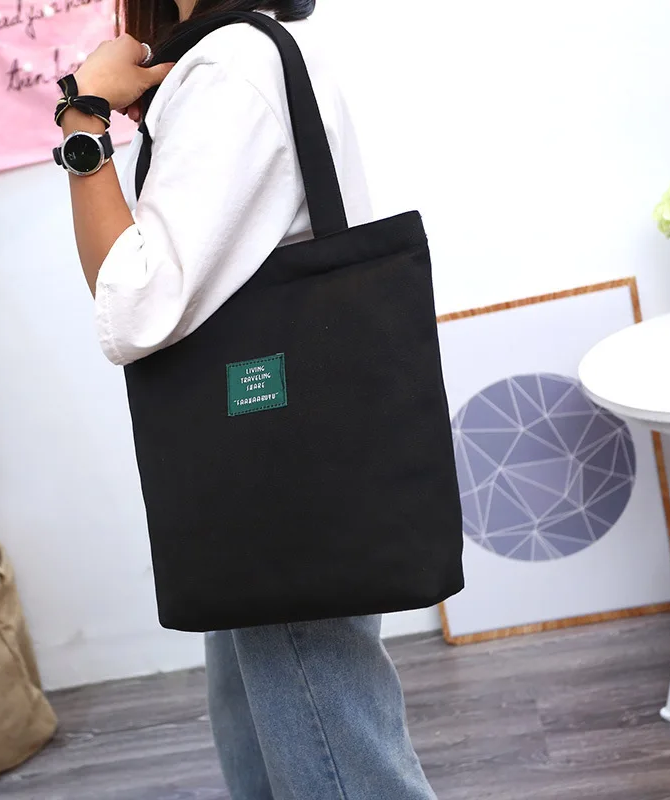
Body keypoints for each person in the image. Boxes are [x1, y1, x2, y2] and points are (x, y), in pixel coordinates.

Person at [57, 1, 438, 797]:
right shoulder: (240, 55)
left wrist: (83, 120)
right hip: (276, 464)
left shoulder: (231, 67)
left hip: (272, 470)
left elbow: (135, 307)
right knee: (271, 728)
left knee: (336, 756)